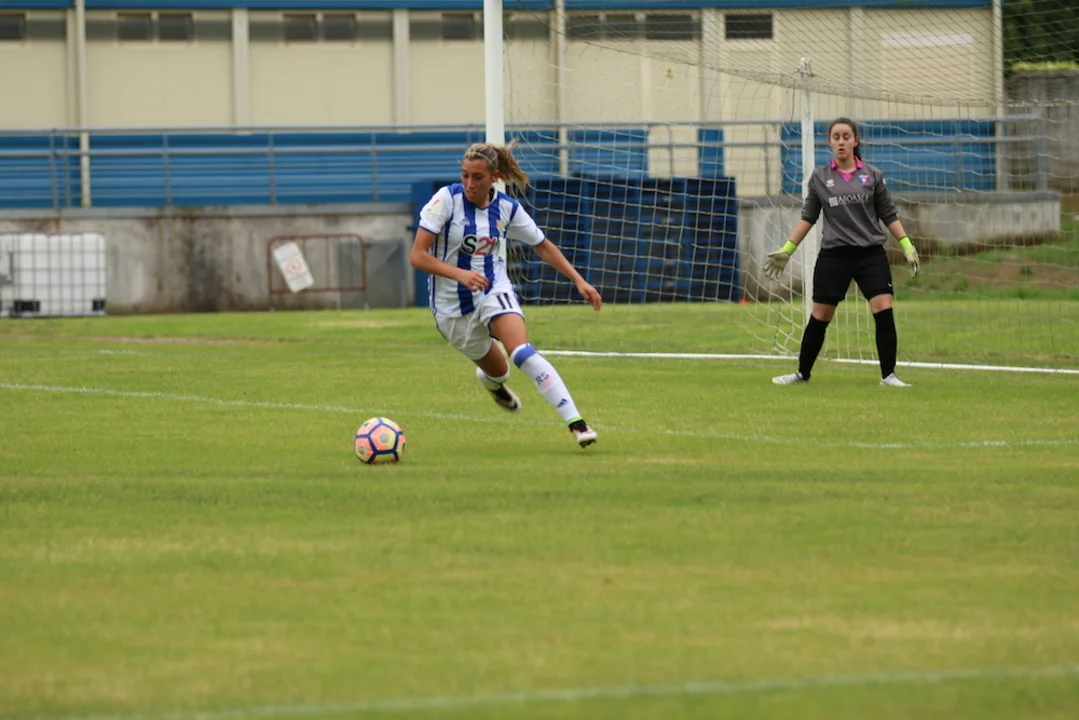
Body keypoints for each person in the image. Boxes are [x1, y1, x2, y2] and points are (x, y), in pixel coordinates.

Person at [409, 142, 603, 447]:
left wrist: (579, 280)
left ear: (494, 177)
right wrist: (460, 274)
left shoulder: (507, 208)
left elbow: (542, 245)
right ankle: (493, 384)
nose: (469, 184)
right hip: (451, 309)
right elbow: (418, 256)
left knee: (522, 352)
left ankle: (577, 423)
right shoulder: (445, 200)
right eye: (465, 175)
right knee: (499, 372)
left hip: (493, 289)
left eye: (477, 177)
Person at [764, 117, 920, 388]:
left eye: (846, 136)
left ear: (855, 141)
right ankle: (802, 374)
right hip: (834, 256)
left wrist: (907, 245)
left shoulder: (872, 175)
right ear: (829, 142)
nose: (841, 142)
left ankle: (888, 376)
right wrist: (787, 250)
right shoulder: (820, 177)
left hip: (870, 254)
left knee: (883, 308)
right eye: (836, 137)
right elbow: (808, 217)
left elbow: (888, 214)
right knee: (821, 315)